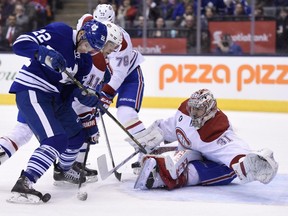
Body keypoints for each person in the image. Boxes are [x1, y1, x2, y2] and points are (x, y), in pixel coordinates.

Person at [0, 20, 122, 184]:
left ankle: (63, 170)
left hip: (55, 99)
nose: (86, 50)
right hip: (34, 89)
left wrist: (84, 94)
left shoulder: (85, 61)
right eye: (86, 45)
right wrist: (41, 53)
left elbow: (71, 89)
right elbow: (20, 43)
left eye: (92, 48)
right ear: (81, 34)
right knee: (45, 137)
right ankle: (26, 182)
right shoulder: (60, 32)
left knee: (76, 135)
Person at [125, 89, 278, 190]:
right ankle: (151, 161)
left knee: (195, 172)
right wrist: (153, 136)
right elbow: (170, 127)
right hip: (192, 151)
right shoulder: (185, 112)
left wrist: (250, 162)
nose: (193, 113)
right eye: (192, 108)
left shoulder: (217, 132)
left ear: (210, 110)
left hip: (216, 163)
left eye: (198, 109)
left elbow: (236, 152)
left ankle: (165, 177)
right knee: (174, 151)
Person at [77, 3, 146, 174]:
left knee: (126, 114)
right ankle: (75, 162)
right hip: (102, 77)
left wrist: (106, 96)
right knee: (88, 117)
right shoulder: (85, 23)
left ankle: (147, 155)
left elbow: (119, 75)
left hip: (129, 77)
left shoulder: (121, 40)